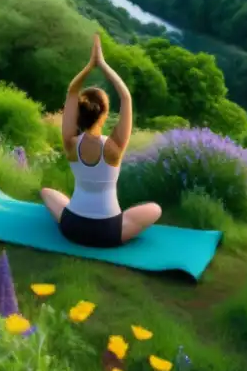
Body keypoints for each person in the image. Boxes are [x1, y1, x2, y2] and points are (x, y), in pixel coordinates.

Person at [40, 33, 162, 248]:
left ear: (79, 113)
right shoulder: (114, 147)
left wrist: (89, 67)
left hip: (72, 228)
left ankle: (77, 210)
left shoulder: (70, 143)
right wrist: (102, 64)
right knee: (154, 209)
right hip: (107, 233)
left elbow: (72, 91)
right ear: (104, 114)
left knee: (47, 192)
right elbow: (126, 98)